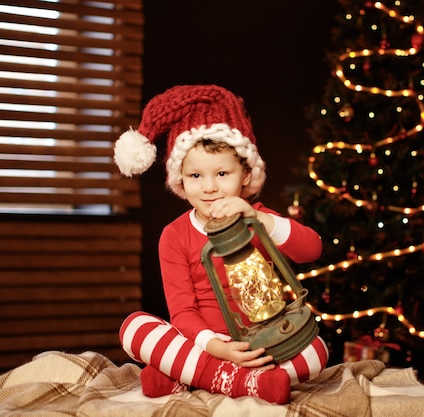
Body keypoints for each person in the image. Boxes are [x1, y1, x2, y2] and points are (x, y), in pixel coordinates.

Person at [113, 84, 329, 405]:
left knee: (317, 350)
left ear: (245, 175)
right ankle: (241, 381)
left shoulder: (257, 218)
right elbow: (182, 311)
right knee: (134, 328)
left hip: (261, 341)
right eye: (196, 176)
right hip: (203, 342)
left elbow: (312, 249)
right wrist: (217, 348)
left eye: (222, 173)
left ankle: (186, 376)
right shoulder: (174, 235)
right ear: (181, 180)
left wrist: (263, 222)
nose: (210, 187)